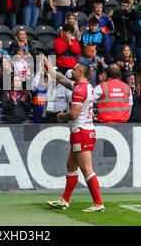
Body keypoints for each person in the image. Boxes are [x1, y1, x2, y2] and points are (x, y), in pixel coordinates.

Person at [43, 57, 105, 212]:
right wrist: (50, 68)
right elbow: (63, 80)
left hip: (81, 132)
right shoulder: (84, 86)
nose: (72, 70)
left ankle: (98, 204)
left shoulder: (80, 90)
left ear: (81, 72)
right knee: (71, 166)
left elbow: (74, 114)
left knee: (86, 169)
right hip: (82, 131)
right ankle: (64, 200)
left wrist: (61, 116)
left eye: (75, 69)